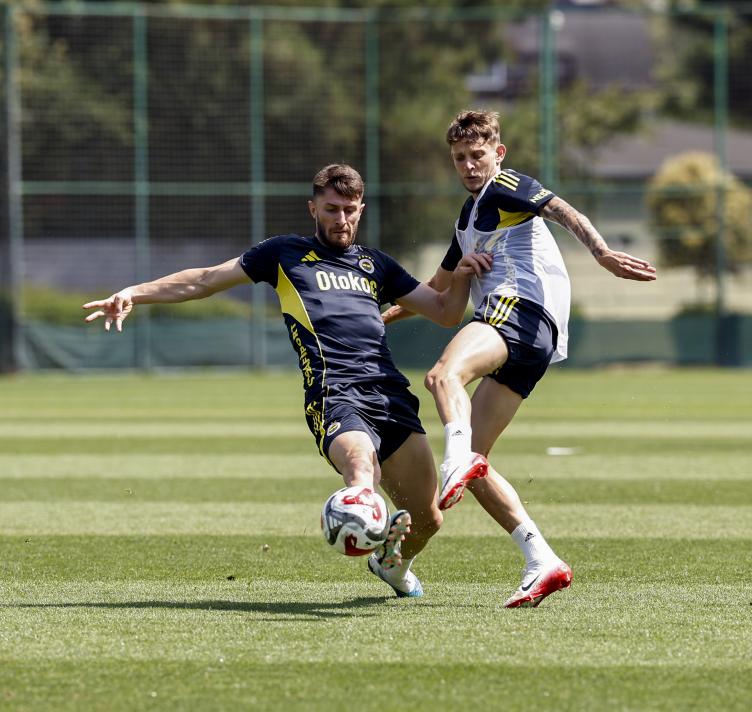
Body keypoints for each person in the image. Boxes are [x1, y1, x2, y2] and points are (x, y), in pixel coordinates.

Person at [83, 163, 491, 599]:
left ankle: (391, 564)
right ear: (313, 209)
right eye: (331, 209)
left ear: (361, 209)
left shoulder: (375, 264)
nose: (341, 219)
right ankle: (360, 509)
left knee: (428, 519)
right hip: (335, 393)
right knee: (361, 466)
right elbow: (204, 281)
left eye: (349, 209)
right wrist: (134, 292)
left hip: (391, 397)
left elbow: (445, 312)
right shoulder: (284, 254)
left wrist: (461, 276)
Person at [382, 110, 657, 607]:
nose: (469, 165)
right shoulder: (466, 220)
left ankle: (454, 460)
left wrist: (602, 253)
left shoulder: (506, 185)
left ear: (498, 153)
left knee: (442, 376)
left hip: (519, 309)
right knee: (478, 462)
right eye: (460, 158)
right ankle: (541, 559)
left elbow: (564, 211)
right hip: (532, 339)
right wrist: (377, 319)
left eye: (477, 154)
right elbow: (436, 291)